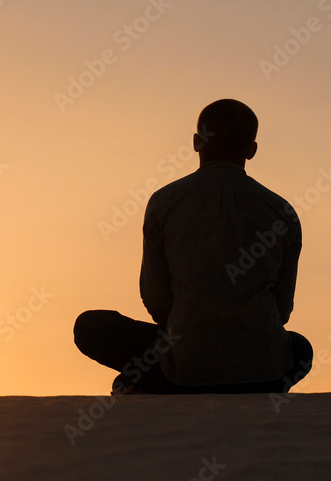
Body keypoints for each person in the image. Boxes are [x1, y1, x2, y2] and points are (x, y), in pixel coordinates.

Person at [74, 99, 312, 394]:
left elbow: (157, 301)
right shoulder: (283, 212)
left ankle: (158, 381)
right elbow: (282, 309)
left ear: (197, 142)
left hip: (184, 364)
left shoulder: (164, 202)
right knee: (301, 348)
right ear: (251, 150)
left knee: (90, 326)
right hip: (262, 371)